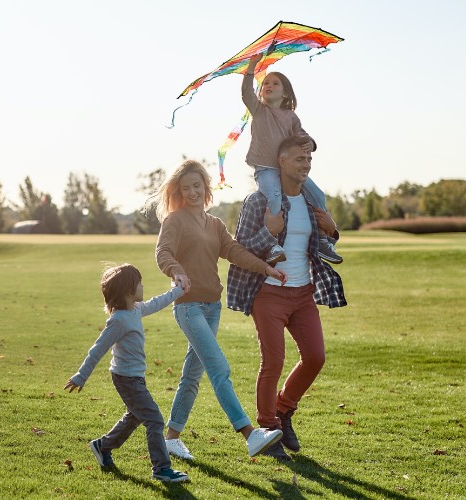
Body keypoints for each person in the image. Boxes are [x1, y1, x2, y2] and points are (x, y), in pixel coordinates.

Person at [148, 159, 287, 461]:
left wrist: (265, 268)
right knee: (219, 369)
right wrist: (176, 271)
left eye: (197, 186)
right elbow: (163, 252)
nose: (192, 192)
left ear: (205, 186)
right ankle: (250, 435)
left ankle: (171, 438)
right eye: (186, 188)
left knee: (191, 376)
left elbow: (235, 252)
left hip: (212, 308)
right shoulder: (175, 221)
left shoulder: (214, 224)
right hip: (188, 307)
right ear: (179, 192)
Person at [227, 136, 347, 461]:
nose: (306, 165)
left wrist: (333, 230)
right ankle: (267, 431)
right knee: (273, 361)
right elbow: (238, 248)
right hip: (267, 293)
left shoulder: (312, 203)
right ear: (281, 162)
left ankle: (283, 410)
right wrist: (269, 231)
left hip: (303, 293)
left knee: (315, 357)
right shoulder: (258, 201)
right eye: (299, 159)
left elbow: (325, 243)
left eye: (308, 159)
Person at [63, 263, 190, 483]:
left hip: (135, 377)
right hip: (126, 379)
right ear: (129, 290)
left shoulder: (136, 309)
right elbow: (98, 349)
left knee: (134, 417)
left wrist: (177, 291)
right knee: (155, 420)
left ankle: (103, 446)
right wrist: (81, 376)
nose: (143, 285)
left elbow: (157, 302)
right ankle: (162, 469)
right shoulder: (119, 320)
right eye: (139, 283)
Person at [242, 53, 342, 265]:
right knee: (275, 199)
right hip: (267, 169)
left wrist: (310, 143)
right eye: (266, 83)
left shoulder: (291, 117)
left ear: (286, 93)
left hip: (288, 170)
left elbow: (303, 135)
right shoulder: (259, 110)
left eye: (275, 83)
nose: (269, 85)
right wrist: (251, 67)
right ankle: (272, 245)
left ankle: (323, 240)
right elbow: (246, 94)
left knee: (318, 195)